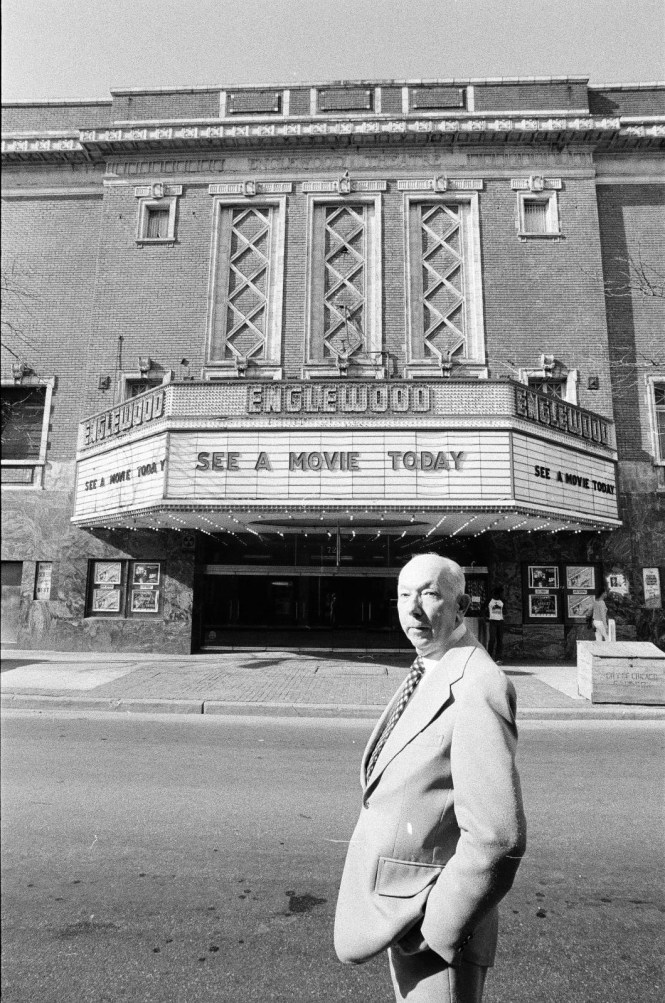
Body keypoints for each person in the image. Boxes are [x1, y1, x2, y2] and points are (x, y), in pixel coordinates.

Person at [334, 553, 526, 1003]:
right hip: (404, 910)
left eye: (430, 595)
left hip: (435, 935)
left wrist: (435, 928)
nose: (414, 609)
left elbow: (498, 838)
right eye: (404, 595)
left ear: (461, 606)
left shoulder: (477, 684)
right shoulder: (431, 665)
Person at [486, 586, 505, 664]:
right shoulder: (490, 601)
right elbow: (483, 608)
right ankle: (489, 656)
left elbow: (505, 610)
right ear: (499, 593)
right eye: (502, 593)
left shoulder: (502, 601)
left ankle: (498, 658)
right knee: (492, 639)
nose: (503, 594)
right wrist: (486, 617)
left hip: (500, 621)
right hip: (493, 621)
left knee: (500, 640)